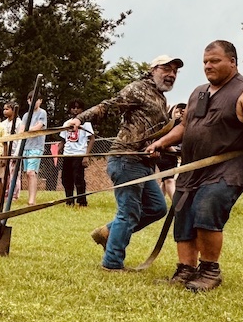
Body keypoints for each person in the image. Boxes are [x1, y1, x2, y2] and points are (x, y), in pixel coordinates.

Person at [146, 41, 243, 292]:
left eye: (215, 61)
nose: (208, 66)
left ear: (232, 62)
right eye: (205, 62)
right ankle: (186, 269)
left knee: (206, 210)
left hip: (227, 168)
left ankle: (210, 271)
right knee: (183, 214)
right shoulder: (199, 92)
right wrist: (160, 142)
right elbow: (184, 127)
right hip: (192, 168)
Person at [65, 54, 182, 271]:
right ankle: (112, 263)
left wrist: (159, 147)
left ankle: (108, 232)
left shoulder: (160, 98)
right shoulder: (138, 89)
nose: (171, 74)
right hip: (126, 159)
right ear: (153, 69)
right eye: (166, 68)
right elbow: (108, 106)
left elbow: (153, 132)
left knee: (157, 208)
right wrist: (79, 119)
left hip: (143, 162)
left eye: (175, 71)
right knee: (128, 213)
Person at [58, 100, 94, 207]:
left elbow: (92, 139)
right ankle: (69, 201)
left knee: (78, 178)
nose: (75, 110)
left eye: (78, 108)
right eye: (73, 107)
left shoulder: (86, 124)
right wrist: (59, 149)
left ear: (82, 110)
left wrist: (86, 156)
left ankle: (82, 201)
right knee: (66, 178)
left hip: (79, 154)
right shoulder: (67, 123)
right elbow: (63, 139)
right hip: (67, 154)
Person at [21, 96, 48, 206]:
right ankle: (30, 197)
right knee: (28, 174)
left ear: (40, 101)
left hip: (36, 147)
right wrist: (27, 130)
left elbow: (38, 127)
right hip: (26, 146)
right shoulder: (26, 115)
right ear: (28, 101)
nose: (34, 102)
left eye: (36, 99)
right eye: (31, 99)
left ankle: (32, 200)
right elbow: (21, 130)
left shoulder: (42, 113)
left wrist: (28, 130)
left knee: (31, 172)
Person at [158, 103, 186, 200]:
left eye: (181, 112)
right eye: (176, 111)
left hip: (174, 156)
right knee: (169, 180)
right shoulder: (169, 125)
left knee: (164, 181)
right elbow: (162, 139)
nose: (179, 114)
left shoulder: (184, 126)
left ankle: (158, 204)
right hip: (165, 156)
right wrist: (171, 148)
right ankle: (176, 205)